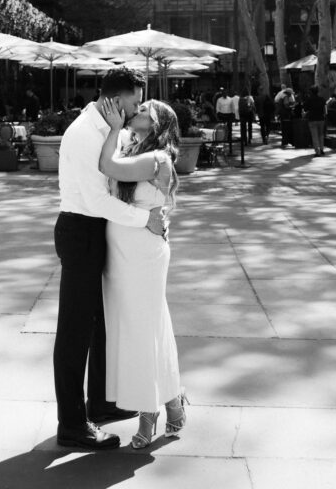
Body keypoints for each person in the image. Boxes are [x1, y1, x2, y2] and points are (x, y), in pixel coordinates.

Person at [53, 67, 167, 451]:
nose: (137, 110)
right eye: (135, 102)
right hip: (80, 231)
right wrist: (145, 219)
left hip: (96, 233)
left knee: (102, 324)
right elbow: (98, 200)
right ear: (117, 101)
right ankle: (71, 424)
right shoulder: (86, 133)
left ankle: (100, 404)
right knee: (75, 331)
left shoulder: (106, 130)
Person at [99, 97, 186, 450]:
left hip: (143, 252)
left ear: (159, 124)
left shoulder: (157, 158)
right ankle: (173, 402)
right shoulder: (133, 147)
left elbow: (108, 166)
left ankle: (149, 412)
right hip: (119, 250)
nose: (138, 110)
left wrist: (113, 126)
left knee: (142, 328)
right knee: (147, 325)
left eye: (145, 109)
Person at [305, 85, 327, 156]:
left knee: (314, 135)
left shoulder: (309, 100)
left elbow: (305, 109)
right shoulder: (322, 99)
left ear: (311, 92)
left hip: (312, 119)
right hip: (321, 119)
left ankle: (317, 151)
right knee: (321, 135)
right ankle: (322, 149)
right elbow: (325, 110)